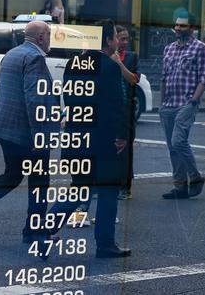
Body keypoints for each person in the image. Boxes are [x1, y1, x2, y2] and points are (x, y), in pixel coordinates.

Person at [0, 21, 59, 244]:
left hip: (7, 129)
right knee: (39, 183)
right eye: (49, 35)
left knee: (12, 175)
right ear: (40, 38)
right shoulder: (35, 58)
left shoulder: (12, 54)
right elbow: (34, 98)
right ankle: (33, 231)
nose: (50, 39)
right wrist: (39, 134)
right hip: (28, 132)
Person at [48, 19, 131, 258]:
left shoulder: (73, 63)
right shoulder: (110, 66)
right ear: (107, 40)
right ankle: (105, 244)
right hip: (103, 140)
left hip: (76, 136)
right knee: (107, 191)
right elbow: (115, 105)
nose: (117, 41)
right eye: (115, 36)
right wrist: (122, 136)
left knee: (79, 189)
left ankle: (45, 229)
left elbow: (70, 99)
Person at [159, 13, 205, 199]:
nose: (178, 28)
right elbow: (164, 77)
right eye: (177, 25)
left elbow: (203, 78)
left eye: (183, 25)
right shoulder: (169, 49)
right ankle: (180, 187)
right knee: (172, 148)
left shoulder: (200, 48)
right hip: (169, 104)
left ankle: (195, 177)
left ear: (191, 27)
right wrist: (162, 103)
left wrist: (194, 101)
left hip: (187, 102)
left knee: (178, 141)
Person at [112, 25, 139, 200]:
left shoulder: (131, 57)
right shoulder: (105, 55)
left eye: (127, 38)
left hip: (126, 108)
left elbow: (133, 80)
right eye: (121, 38)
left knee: (125, 148)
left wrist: (119, 63)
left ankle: (125, 186)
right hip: (110, 108)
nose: (124, 42)